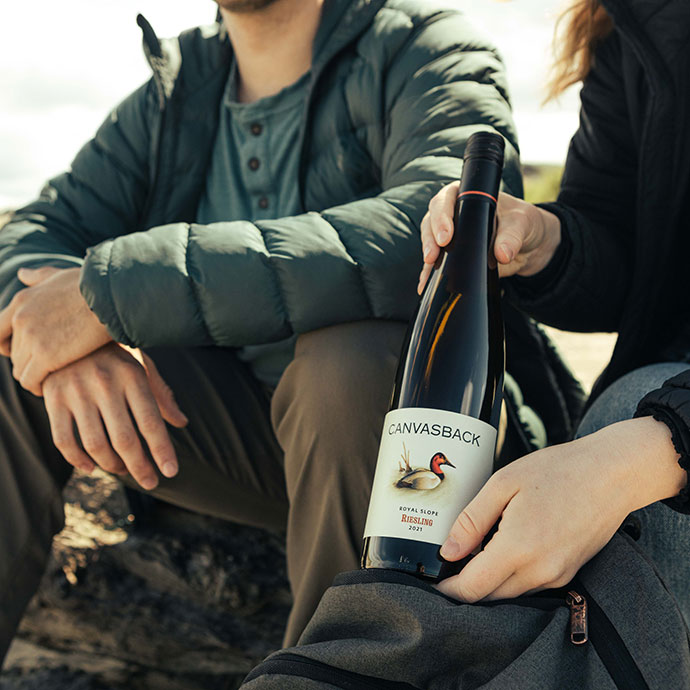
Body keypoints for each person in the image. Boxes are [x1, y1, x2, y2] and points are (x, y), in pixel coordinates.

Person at [0, 0, 525, 661]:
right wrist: (70, 336)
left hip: (403, 439)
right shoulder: (179, 87)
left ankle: (335, 672)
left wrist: (111, 293)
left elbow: (439, 234)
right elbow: (39, 228)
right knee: (23, 360)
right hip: (242, 437)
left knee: (345, 361)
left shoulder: (426, 47)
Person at [420, 0, 690, 617]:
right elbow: (634, 260)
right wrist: (547, 241)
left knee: (626, 428)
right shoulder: (632, 24)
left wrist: (659, 448)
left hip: (663, 408)